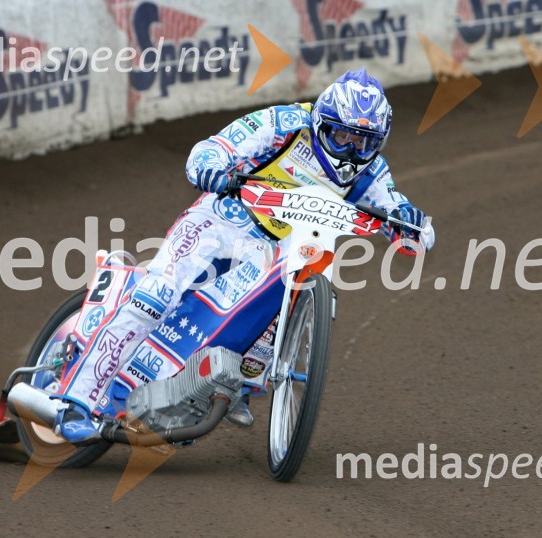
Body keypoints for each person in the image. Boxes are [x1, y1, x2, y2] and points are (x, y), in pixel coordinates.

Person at [53, 68, 436, 444]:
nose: (353, 150)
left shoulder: (371, 173)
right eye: (343, 136)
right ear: (321, 122)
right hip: (220, 222)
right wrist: (210, 169)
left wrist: (411, 223)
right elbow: (215, 148)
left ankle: (235, 381)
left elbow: (406, 219)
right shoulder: (285, 122)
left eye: (365, 142)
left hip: (269, 251)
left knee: (284, 284)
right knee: (156, 294)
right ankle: (75, 402)